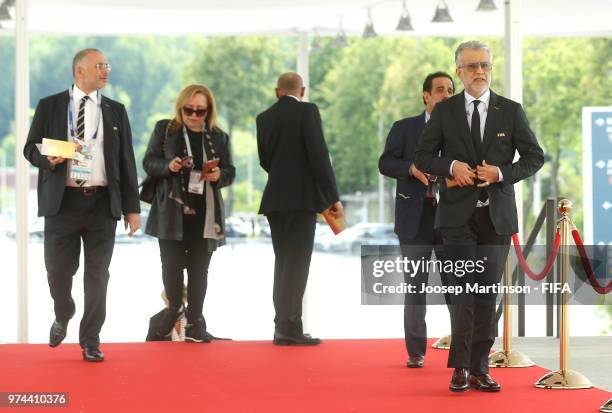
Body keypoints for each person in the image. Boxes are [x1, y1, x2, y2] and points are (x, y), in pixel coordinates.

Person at [414, 40, 544, 392]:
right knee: (462, 292)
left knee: (487, 293)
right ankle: (460, 368)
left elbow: (534, 157)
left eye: (484, 65)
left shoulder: (511, 110)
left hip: (496, 218)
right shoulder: (445, 111)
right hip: (456, 218)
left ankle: (480, 367)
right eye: (471, 66)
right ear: (459, 71)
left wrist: (501, 173)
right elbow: (423, 156)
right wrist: (451, 166)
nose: (479, 72)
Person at [23, 48, 141, 362]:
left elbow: (125, 160)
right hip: (62, 203)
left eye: (107, 64)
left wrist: (132, 207)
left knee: (98, 275)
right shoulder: (50, 106)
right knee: (58, 272)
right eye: (99, 65)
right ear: (79, 71)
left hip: (102, 203)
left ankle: (91, 339)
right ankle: (64, 311)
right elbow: (29, 148)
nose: (106, 71)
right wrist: (47, 158)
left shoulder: (116, 110)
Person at [143, 84, 235, 343]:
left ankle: (195, 322)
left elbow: (229, 171)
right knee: (171, 268)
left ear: (209, 111)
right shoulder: (166, 129)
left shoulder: (218, 136)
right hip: (171, 213)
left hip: (205, 215)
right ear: (180, 107)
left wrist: (220, 175)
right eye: (189, 110)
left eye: (200, 111)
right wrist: (168, 166)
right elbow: (149, 161)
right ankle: (173, 310)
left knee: (199, 271)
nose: (194, 115)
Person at [257, 72, 343, 346]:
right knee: (297, 265)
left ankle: (282, 325)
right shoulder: (308, 111)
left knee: (282, 263)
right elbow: (319, 155)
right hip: (301, 200)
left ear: (276, 91)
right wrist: (332, 196)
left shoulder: (264, 118)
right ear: (302, 91)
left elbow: (265, 160)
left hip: (274, 200)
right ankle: (289, 328)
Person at [378, 72, 455, 369]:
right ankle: (415, 352)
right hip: (414, 219)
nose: (446, 95)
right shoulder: (404, 128)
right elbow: (385, 163)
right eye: (439, 90)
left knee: (456, 288)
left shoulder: (461, 130)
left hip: (451, 219)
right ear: (426, 95)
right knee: (415, 287)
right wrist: (410, 169)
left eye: (450, 90)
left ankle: (460, 353)